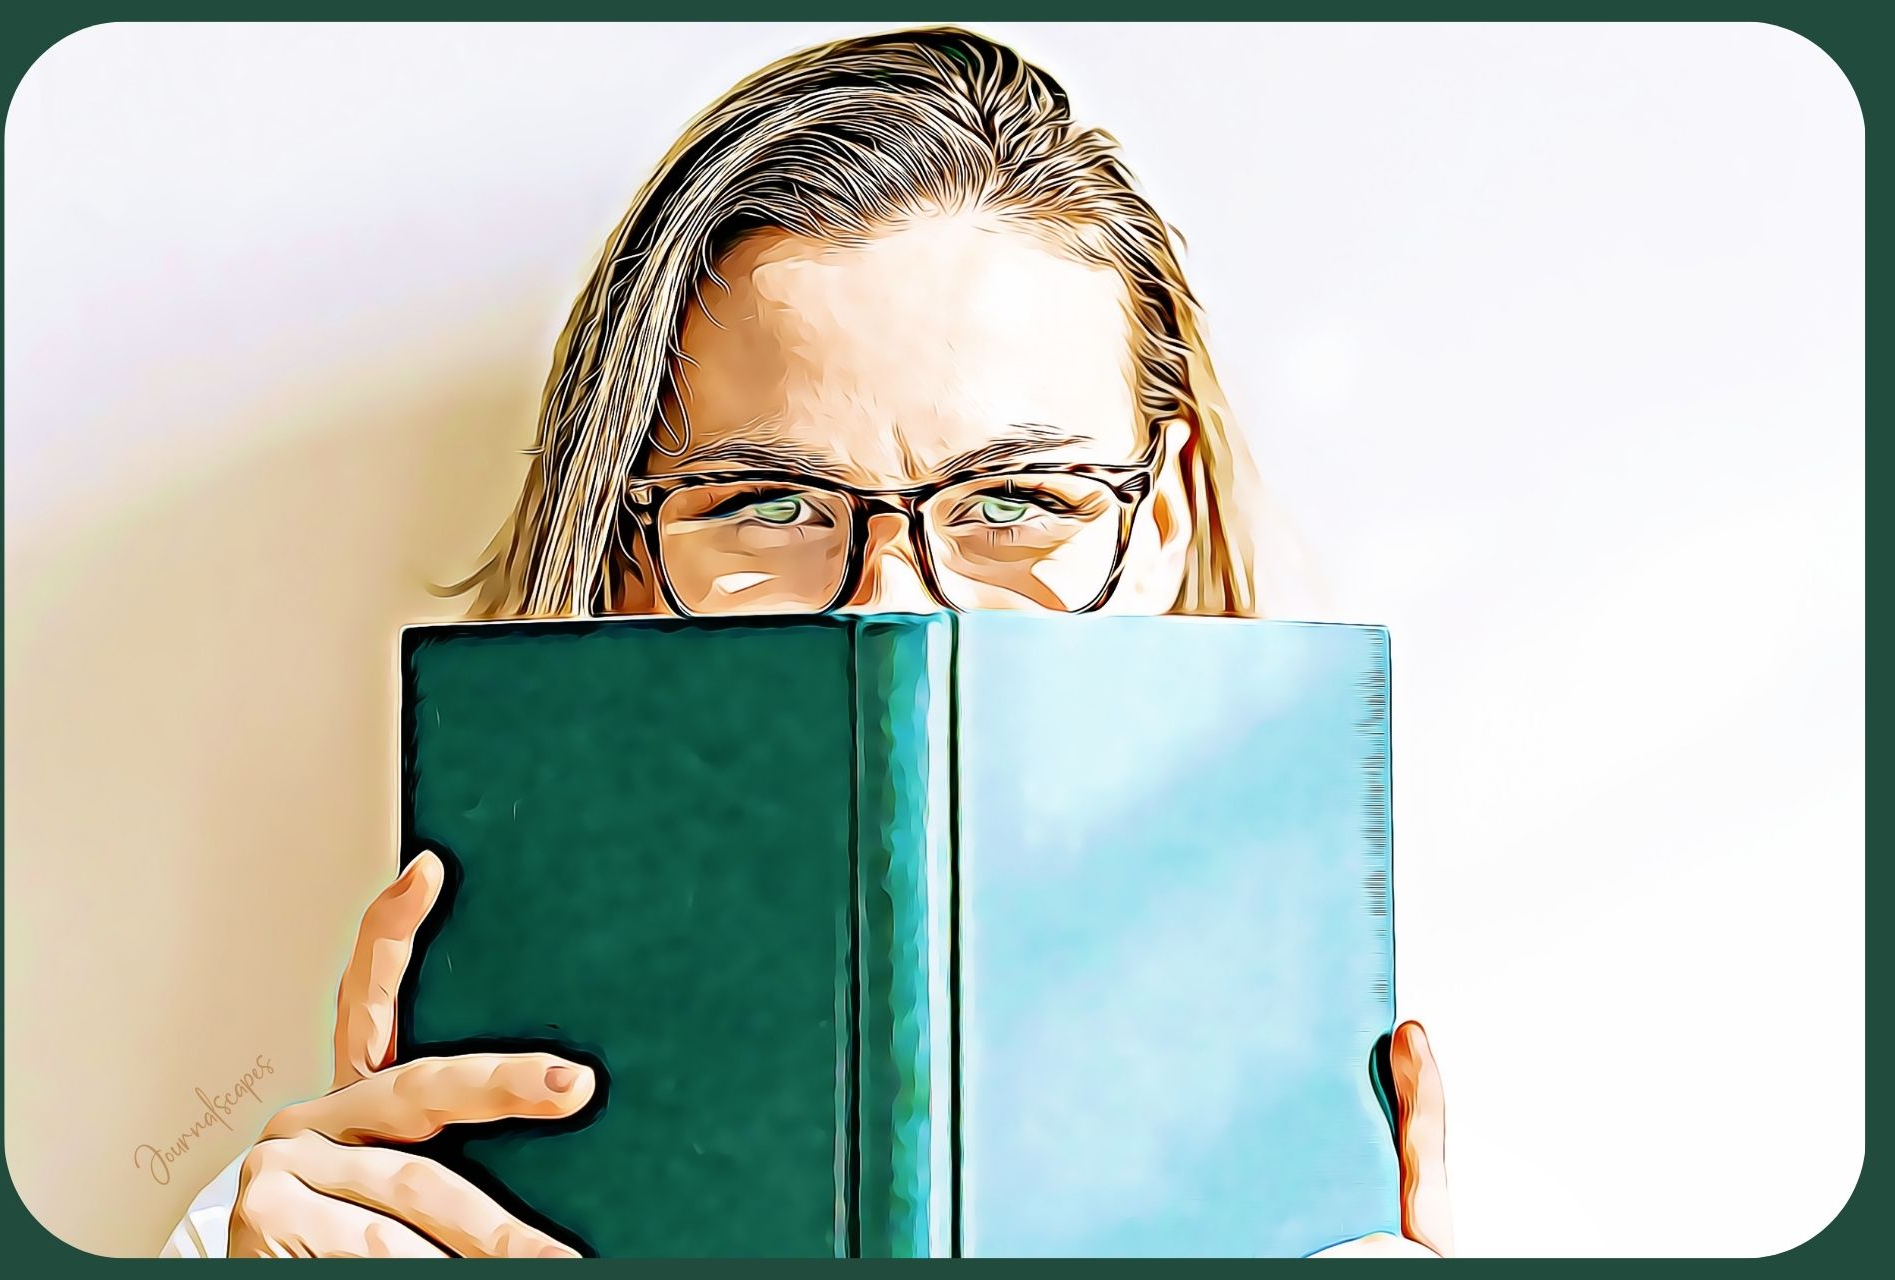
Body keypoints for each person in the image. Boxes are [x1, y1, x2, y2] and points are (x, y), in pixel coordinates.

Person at [161, 25, 1451, 1258]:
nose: (893, 606)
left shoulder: (1352, 1124)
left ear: (1160, 517)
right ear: (619, 547)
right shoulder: (302, 1225)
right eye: (769, 506)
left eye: (1019, 502)